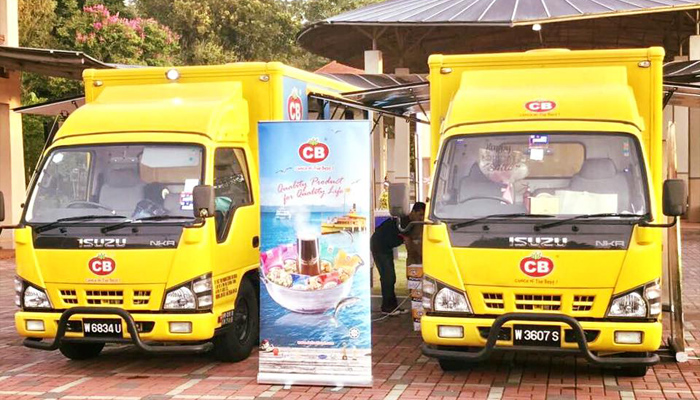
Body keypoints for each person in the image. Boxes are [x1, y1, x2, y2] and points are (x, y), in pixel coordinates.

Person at [371, 202, 426, 315]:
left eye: (423, 216)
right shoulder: (405, 223)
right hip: (379, 245)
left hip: (386, 246)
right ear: (413, 212)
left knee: (390, 277)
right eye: (420, 214)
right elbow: (409, 247)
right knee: (388, 277)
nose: (421, 218)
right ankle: (387, 308)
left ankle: (392, 306)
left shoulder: (412, 223)